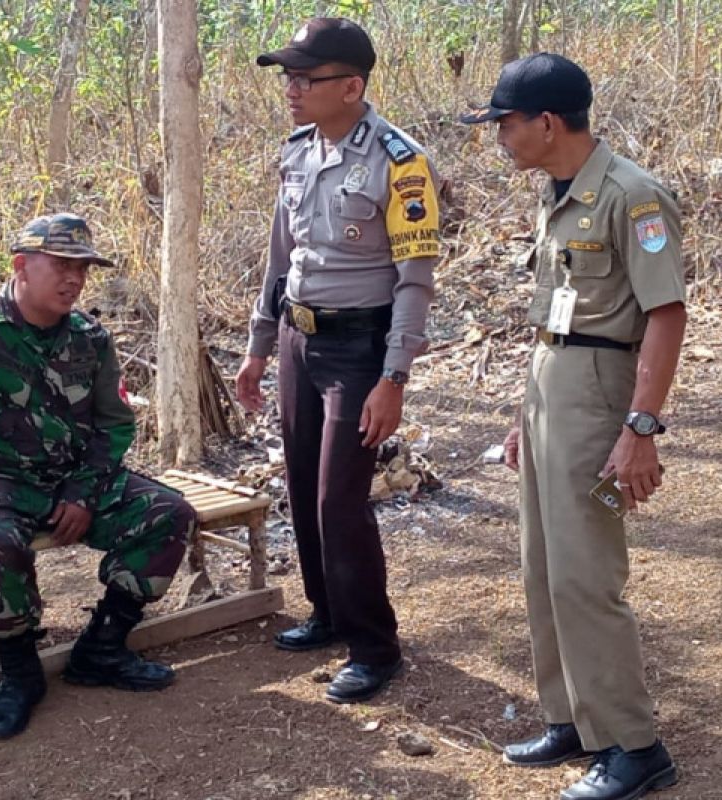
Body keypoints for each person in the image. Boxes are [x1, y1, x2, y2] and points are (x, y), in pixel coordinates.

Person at [461, 54, 686, 800]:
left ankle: (632, 743)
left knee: (588, 575)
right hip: (550, 386)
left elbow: (665, 313)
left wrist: (641, 427)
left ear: (547, 123)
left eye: (505, 123)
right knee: (544, 568)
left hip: (600, 393)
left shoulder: (633, 195)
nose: (499, 137)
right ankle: (571, 717)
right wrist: (524, 413)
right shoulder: (557, 194)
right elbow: (554, 314)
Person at [0, 213, 195, 740]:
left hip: (71, 479)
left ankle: (102, 646)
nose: (74, 279)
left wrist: (83, 492)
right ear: (22, 266)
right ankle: (20, 672)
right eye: (62, 265)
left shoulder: (91, 340)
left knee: (170, 514)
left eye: (83, 268)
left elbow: (113, 428)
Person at [235, 17, 441, 704]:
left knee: (338, 501)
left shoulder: (399, 162)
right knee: (300, 486)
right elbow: (280, 257)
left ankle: (374, 645)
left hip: (360, 347)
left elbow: (414, 280)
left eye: (307, 78)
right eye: (288, 77)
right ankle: (326, 613)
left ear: (351, 86)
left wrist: (394, 377)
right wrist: (259, 348)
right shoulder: (297, 151)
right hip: (300, 337)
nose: (291, 90)